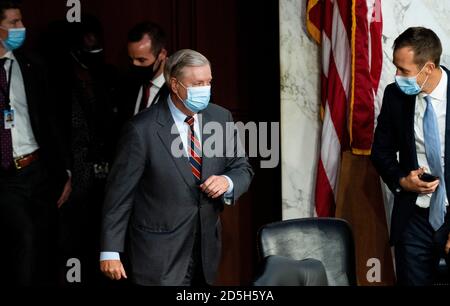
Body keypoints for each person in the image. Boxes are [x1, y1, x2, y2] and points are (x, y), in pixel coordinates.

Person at [100, 49, 254, 286]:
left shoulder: (220, 117)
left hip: (205, 251)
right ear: (175, 84)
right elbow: (119, 195)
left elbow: (242, 167)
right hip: (158, 254)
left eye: (208, 82)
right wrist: (110, 250)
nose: (205, 89)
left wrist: (228, 182)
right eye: (197, 83)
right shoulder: (141, 129)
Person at [371, 27, 450, 286]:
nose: (396, 76)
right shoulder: (395, 96)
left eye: (404, 71)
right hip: (414, 216)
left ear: (428, 68)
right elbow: (380, 152)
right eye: (396, 67)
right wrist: (401, 181)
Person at [0, 0, 71, 286]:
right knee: (23, 239)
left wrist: (65, 169)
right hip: (5, 176)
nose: (21, 28)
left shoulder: (32, 65)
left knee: (45, 244)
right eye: (14, 23)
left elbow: (51, 121)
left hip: (38, 169)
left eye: (21, 21)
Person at [116, 22, 168, 128]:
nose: (135, 65)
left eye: (141, 60)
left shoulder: (180, 90)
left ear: (162, 54)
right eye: (131, 59)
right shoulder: (126, 84)